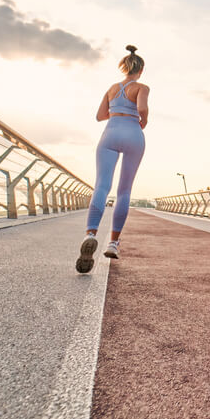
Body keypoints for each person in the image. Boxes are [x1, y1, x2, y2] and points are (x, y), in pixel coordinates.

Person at [76, 45, 149, 273]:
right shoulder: (142, 87)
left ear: (124, 67)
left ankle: (90, 233)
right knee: (124, 191)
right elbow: (142, 108)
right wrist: (142, 120)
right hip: (133, 133)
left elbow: (99, 116)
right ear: (141, 69)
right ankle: (114, 243)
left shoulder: (112, 88)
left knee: (101, 186)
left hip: (110, 131)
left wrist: (116, 110)